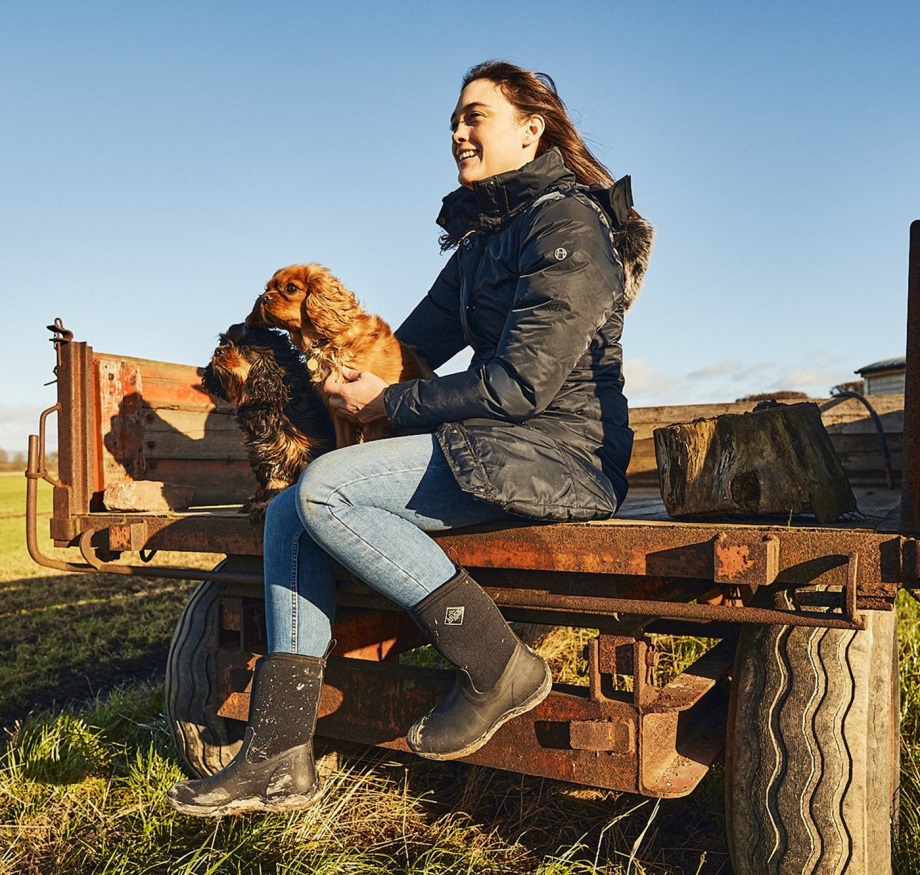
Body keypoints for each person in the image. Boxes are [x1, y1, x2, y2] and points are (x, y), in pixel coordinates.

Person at [167, 60, 653, 817]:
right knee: (295, 505)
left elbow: (523, 386)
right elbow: (405, 340)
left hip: (562, 454)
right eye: (453, 121)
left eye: (476, 116)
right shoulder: (482, 243)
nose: (459, 131)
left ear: (532, 129)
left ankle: (499, 666)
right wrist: (327, 357)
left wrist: (387, 398)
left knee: (329, 488)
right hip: (497, 444)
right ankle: (278, 757)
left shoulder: (567, 224)